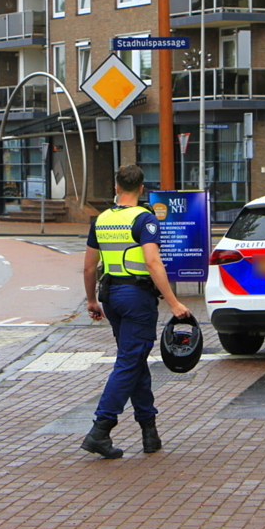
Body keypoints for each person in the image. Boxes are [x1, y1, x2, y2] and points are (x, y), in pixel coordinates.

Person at [82, 164, 190, 459]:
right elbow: (153, 263)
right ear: (142, 188)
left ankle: (149, 432)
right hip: (136, 298)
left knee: (135, 359)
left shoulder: (102, 219)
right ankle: (100, 429)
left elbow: (89, 266)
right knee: (129, 361)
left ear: (116, 187)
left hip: (110, 296)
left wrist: (91, 300)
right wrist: (173, 302)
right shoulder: (145, 219)